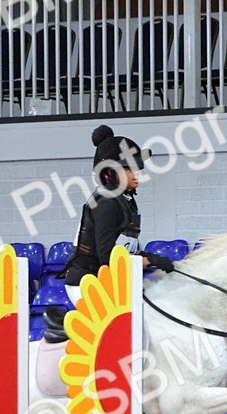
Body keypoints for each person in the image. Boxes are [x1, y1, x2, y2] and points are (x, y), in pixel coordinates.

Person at [61, 124, 175, 305]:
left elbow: (124, 248)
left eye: (136, 168)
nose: (136, 173)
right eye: (128, 169)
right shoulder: (105, 203)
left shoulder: (125, 201)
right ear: (110, 173)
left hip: (106, 278)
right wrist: (147, 260)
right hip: (87, 281)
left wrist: (151, 257)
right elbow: (107, 258)